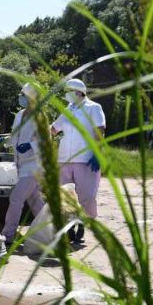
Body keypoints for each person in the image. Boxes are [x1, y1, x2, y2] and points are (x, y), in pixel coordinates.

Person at [51, 78, 105, 245]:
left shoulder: (93, 108)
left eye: (69, 91)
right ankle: (68, 228)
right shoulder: (68, 109)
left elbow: (100, 130)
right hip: (64, 159)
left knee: (86, 196)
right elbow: (54, 129)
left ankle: (82, 224)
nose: (66, 94)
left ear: (78, 92)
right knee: (65, 196)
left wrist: (97, 153)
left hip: (85, 159)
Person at [1, 83, 47, 244]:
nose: (20, 97)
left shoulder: (39, 116)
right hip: (22, 164)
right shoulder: (20, 114)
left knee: (16, 198)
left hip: (34, 166)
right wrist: (3, 141)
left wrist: (31, 145)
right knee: (35, 201)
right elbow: (16, 136)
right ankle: (52, 231)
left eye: (23, 95)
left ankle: (8, 235)